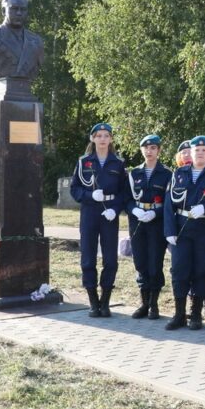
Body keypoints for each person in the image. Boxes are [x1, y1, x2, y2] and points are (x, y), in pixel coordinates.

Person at [164, 136, 205, 330]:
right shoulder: (179, 173)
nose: (200, 153)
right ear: (189, 153)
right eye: (196, 150)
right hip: (181, 228)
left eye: (204, 150)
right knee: (179, 270)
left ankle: (196, 314)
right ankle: (179, 314)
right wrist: (169, 230)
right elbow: (168, 204)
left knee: (201, 270)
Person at [70, 122, 127, 318]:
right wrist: (89, 196)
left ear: (111, 139)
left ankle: (105, 301)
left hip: (109, 214)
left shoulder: (118, 164)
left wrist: (115, 209)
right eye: (99, 135)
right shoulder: (83, 162)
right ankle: (93, 301)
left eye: (106, 135)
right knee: (88, 256)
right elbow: (74, 189)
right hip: (90, 213)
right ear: (92, 138)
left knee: (110, 258)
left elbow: (124, 193)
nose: (102, 139)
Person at [126, 134, 172, 320]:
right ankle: (143, 303)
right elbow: (127, 199)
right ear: (141, 150)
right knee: (140, 262)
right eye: (146, 147)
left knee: (155, 262)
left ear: (159, 151)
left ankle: (154, 304)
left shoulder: (167, 174)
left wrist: (155, 213)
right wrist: (134, 211)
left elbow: (169, 203)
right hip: (137, 221)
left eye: (153, 148)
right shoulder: (133, 173)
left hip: (156, 221)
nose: (149, 151)